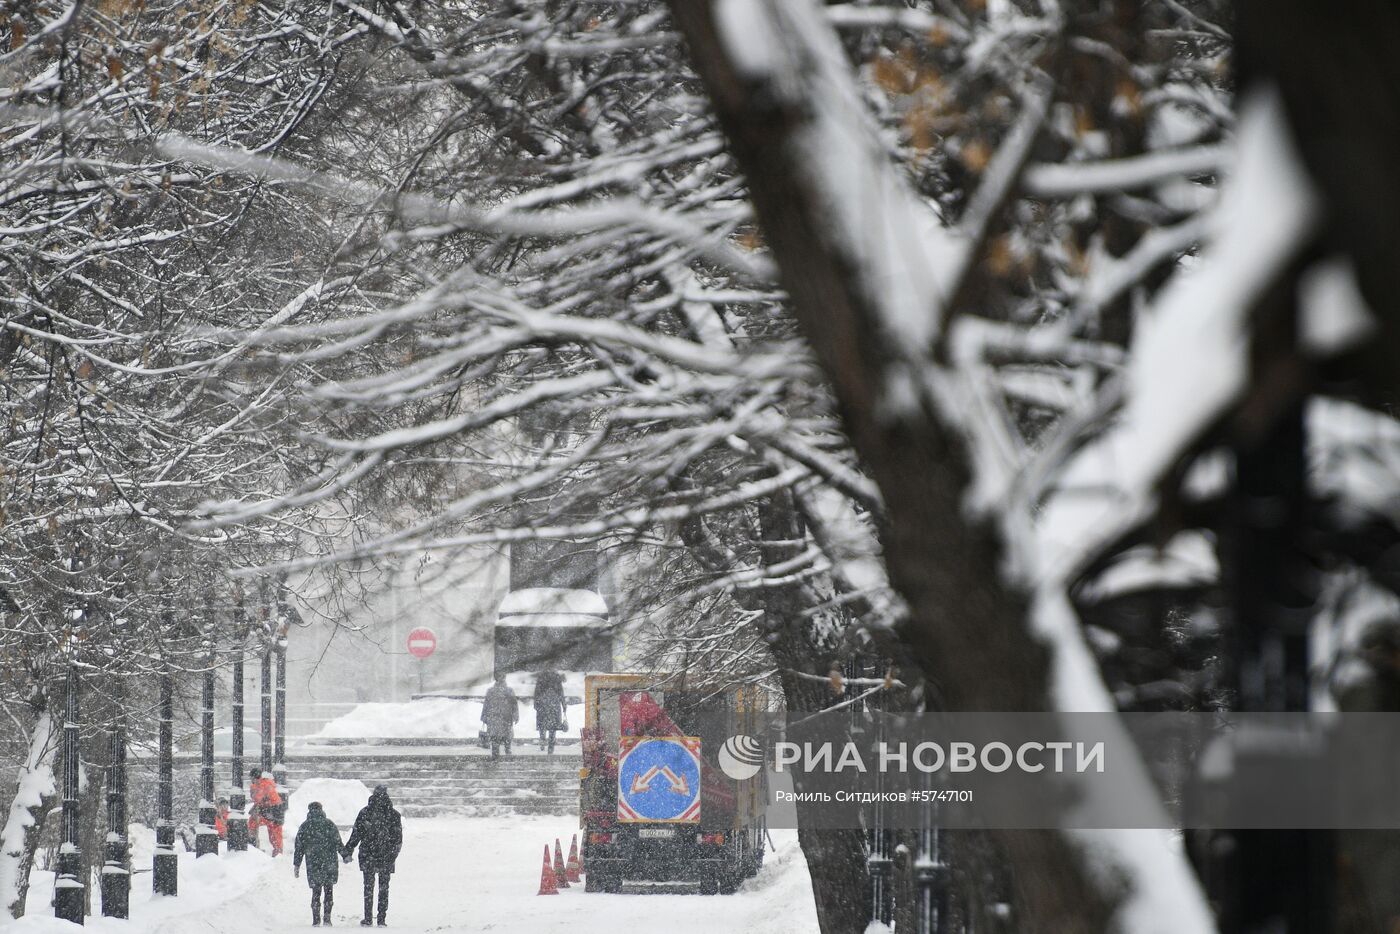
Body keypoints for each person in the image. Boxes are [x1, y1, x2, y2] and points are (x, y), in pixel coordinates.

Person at [342, 785, 402, 927]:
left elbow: (356, 835)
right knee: (384, 888)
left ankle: (368, 918)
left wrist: (347, 851)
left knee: (368, 887)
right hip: (386, 856)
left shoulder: (365, 813)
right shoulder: (394, 815)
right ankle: (381, 919)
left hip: (368, 854)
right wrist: (392, 856)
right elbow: (398, 840)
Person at [294, 801, 345, 927]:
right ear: (322, 810)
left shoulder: (305, 826)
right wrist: (345, 855)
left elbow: (299, 847)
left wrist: (297, 864)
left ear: (309, 811)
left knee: (316, 891)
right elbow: (338, 842)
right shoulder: (329, 824)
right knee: (328, 890)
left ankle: (316, 920)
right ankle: (327, 919)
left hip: (313, 863)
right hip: (329, 862)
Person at [481, 672, 519, 759]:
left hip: (495, 716)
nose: (502, 679)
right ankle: (506, 751)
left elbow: (486, 705)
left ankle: (496, 754)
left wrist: (484, 716)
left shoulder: (491, 691)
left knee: (495, 736)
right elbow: (514, 705)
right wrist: (515, 715)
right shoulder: (509, 690)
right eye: (502, 677)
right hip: (505, 716)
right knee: (506, 735)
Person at [249, 767, 286, 856]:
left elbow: (261, 798)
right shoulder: (259, 785)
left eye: (252, 778)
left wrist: (260, 803)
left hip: (274, 810)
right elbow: (256, 798)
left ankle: (278, 852)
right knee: (253, 823)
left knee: (274, 831)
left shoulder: (265, 784)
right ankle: (253, 844)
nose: (252, 780)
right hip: (267, 809)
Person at [533, 669, 566, 754]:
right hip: (554, 704)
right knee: (552, 727)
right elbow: (561, 692)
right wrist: (563, 704)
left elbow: (537, 692)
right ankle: (550, 748)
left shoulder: (541, 677)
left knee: (542, 724)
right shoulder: (556, 677)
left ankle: (542, 739)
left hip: (543, 704)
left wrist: (536, 703)